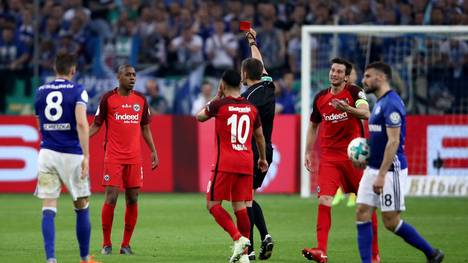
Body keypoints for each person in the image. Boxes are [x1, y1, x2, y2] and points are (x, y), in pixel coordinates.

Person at [356, 61, 444, 263]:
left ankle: (432, 253)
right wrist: (366, 158)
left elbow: (394, 141)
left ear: (381, 77)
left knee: (390, 221)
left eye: (368, 76)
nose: (364, 80)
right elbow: (379, 139)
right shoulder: (379, 103)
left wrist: (381, 175)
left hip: (390, 169)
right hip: (374, 167)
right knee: (362, 212)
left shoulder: (392, 103)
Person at [302, 58, 380, 263]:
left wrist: (347, 109)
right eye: (332, 70)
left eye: (339, 71)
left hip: (353, 158)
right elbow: (313, 125)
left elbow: (366, 113)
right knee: (324, 200)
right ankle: (321, 251)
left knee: (365, 204)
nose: (334, 74)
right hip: (329, 158)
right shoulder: (320, 98)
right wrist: (308, 151)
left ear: (346, 77)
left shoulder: (355, 92)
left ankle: (374, 255)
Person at [196, 69, 269, 263]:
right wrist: (262, 158)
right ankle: (244, 256)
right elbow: (260, 136)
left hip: (225, 162)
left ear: (222, 84)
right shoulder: (251, 108)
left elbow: (199, 117)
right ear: (240, 84)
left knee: (212, 205)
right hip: (246, 162)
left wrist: (216, 96)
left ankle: (238, 239)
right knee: (240, 207)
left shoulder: (219, 105)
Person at [34, 53, 100, 263]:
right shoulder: (78, 91)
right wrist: (86, 155)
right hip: (71, 154)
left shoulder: (40, 91)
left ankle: (51, 259)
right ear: (73, 70)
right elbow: (82, 124)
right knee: (82, 205)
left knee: (48, 206)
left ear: (55, 69)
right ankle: (84, 257)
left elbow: (40, 125)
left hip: (47, 153)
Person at [90, 64, 159, 255]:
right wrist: (82, 138)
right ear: (119, 77)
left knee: (133, 199)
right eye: (128, 75)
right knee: (111, 197)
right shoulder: (107, 99)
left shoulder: (141, 100)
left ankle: (126, 245)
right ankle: (106, 244)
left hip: (134, 158)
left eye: (134, 75)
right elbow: (97, 124)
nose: (132, 78)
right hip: (113, 157)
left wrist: (153, 150)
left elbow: (145, 128)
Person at [242, 28, 276, 260]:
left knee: (244, 201)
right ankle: (263, 238)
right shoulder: (268, 87)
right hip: (268, 150)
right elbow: (260, 65)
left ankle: (250, 249)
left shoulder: (245, 100)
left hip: (252, 151)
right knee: (249, 198)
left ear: (244, 73)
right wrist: (253, 42)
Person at [332, 66, 359, 207]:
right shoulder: (338, 91)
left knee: (353, 164)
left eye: (354, 74)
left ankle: (354, 195)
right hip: (339, 135)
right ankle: (339, 192)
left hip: (354, 133)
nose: (352, 76)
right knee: (339, 164)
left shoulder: (357, 93)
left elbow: (364, 112)